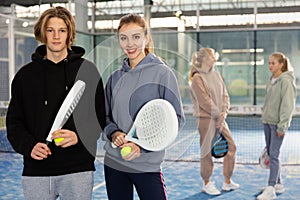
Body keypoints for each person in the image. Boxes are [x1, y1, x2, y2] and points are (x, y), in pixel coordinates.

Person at [6, 6, 106, 200]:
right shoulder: (24, 77)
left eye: (62, 30)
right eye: (50, 30)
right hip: (36, 172)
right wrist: (29, 146)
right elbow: (14, 124)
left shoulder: (88, 71)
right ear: (42, 33)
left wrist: (79, 136)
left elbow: (99, 117)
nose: (56, 36)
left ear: (69, 34)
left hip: (78, 169)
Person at [103, 13, 185, 200]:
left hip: (147, 165)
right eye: (124, 38)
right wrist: (114, 133)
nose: (129, 44)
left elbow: (176, 120)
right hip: (114, 163)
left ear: (146, 38)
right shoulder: (114, 77)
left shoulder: (163, 73)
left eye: (136, 37)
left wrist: (142, 148)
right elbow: (105, 117)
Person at [189, 48, 239, 195]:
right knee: (206, 152)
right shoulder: (197, 78)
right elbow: (204, 101)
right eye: (212, 56)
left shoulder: (216, 75)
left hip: (220, 119)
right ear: (204, 59)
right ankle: (207, 183)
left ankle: (227, 182)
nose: (214, 58)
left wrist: (223, 114)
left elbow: (225, 96)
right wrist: (218, 115)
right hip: (205, 120)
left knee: (232, 148)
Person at [257, 52, 296, 200]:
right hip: (267, 122)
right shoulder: (272, 80)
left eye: (273, 63)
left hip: (277, 125)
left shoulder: (286, 81)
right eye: (269, 63)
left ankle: (271, 188)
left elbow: (287, 105)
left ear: (281, 64)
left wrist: (282, 126)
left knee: (274, 156)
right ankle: (278, 184)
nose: (270, 65)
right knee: (271, 154)